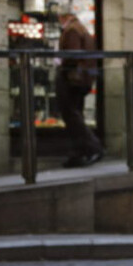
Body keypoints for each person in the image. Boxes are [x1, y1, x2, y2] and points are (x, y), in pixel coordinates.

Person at [55, 13, 103, 168]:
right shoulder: (83, 29)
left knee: (71, 114)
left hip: (73, 78)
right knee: (76, 113)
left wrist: (60, 61)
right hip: (82, 79)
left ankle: (92, 147)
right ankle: (79, 152)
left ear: (65, 18)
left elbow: (73, 54)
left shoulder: (72, 30)